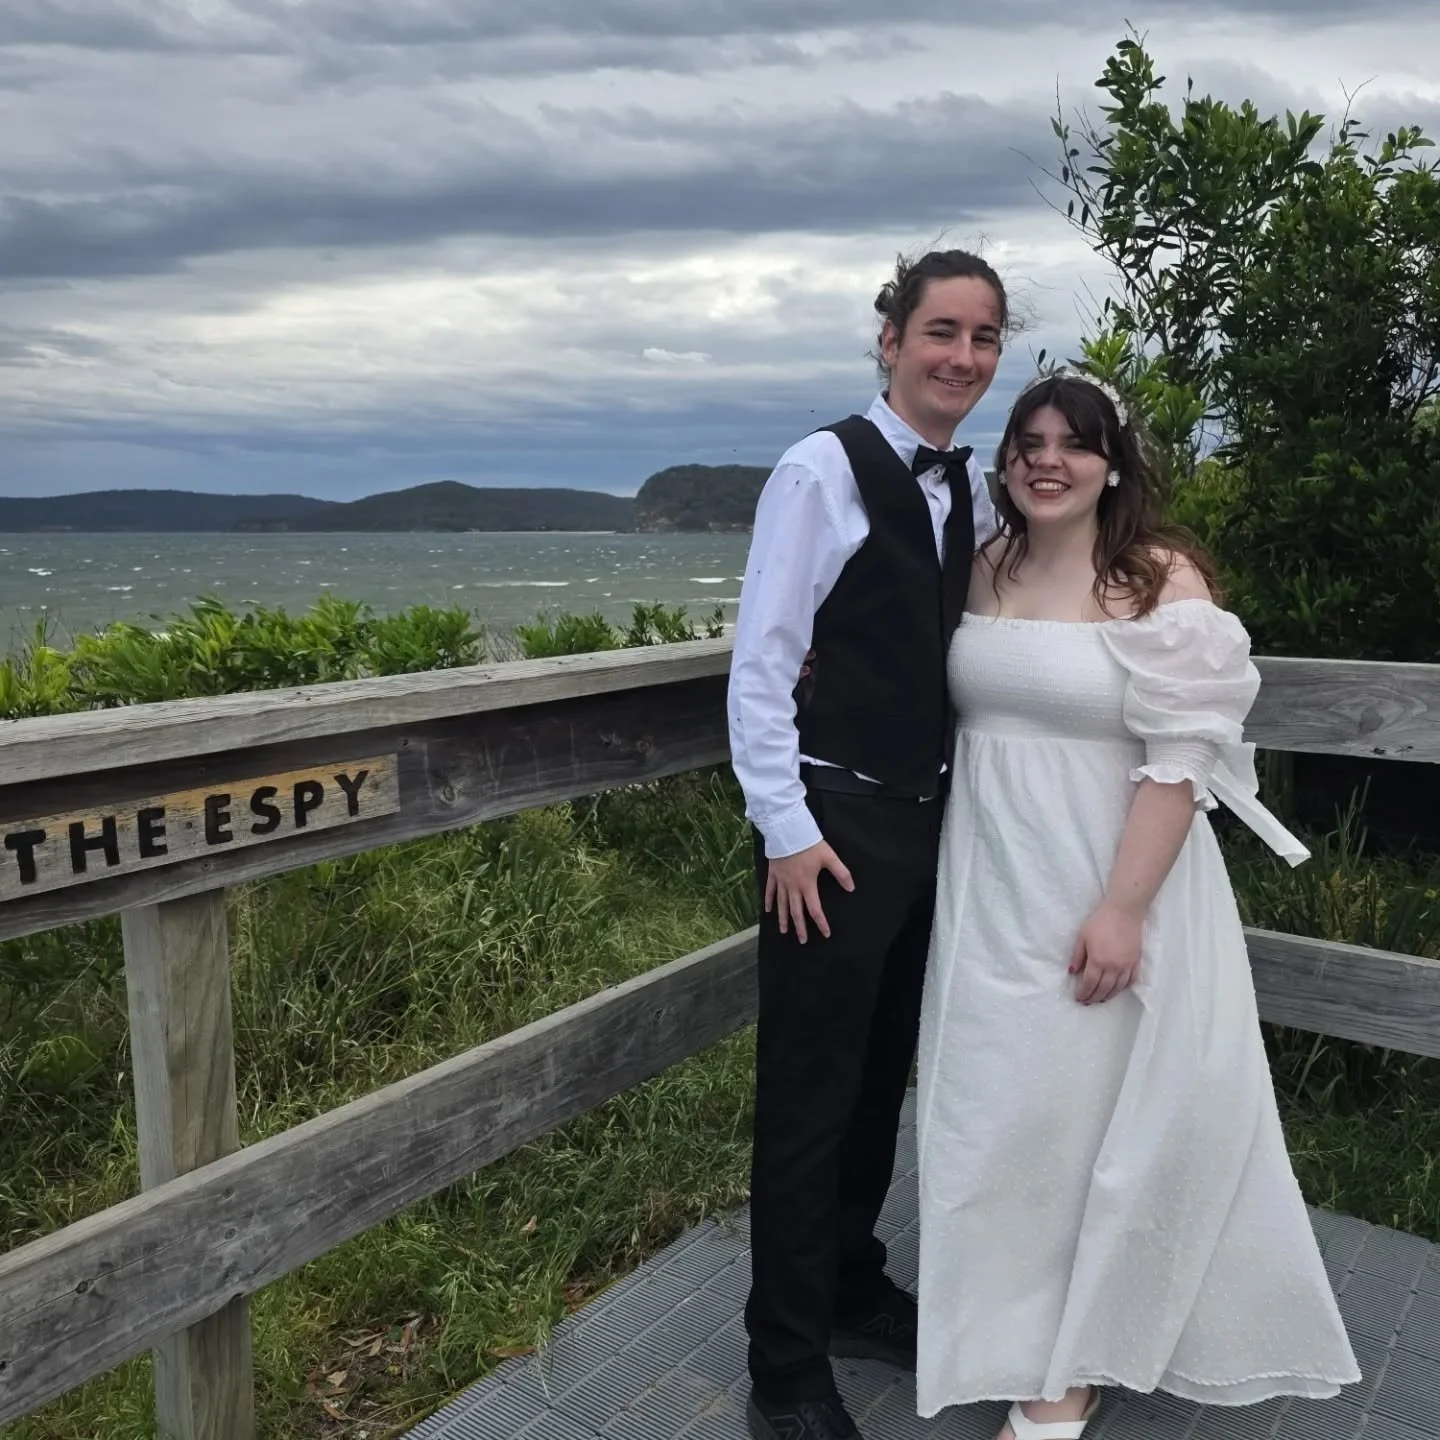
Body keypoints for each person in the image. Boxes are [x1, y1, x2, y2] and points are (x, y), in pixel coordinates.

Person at [914, 371, 1360, 1440]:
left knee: (1095, 1122)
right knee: (997, 1114)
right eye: (1029, 441)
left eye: (1075, 443)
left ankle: (1072, 1364)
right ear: (1006, 459)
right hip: (992, 882)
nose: (1047, 461)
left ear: (1113, 461)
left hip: (1116, 882)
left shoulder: (1160, 578)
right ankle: (1004, 1327)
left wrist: (1121, 910)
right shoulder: (982, 568)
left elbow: (1180, 761)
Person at [727, 248, 1008, 1440]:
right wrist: (785, 831)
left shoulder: (981, 487)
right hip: (830, 831)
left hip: (930, 825)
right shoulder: (817, 471)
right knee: (807, 1095)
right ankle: (784, 1364)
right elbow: (761, 663)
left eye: (985, 337)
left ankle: (847, 1284)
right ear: (889, 338)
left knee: (880, 1077)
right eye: (941, 330)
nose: (962, 357)